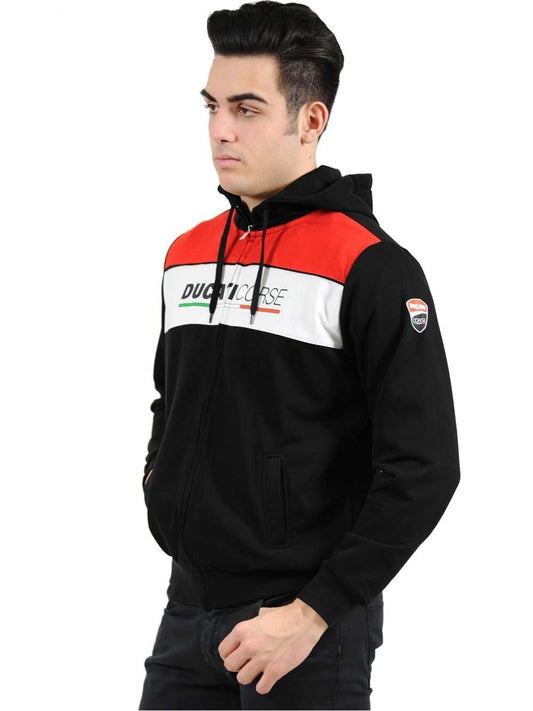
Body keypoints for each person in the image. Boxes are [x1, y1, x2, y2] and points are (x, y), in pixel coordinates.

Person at [138, 2, 461, 709]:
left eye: (247, 108)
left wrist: (313, 612)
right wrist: (157, 478)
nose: (220, 129)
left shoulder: (370, 266)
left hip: (303, 630)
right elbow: (171, 400)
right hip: (186, 613)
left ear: (311, 120)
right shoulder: (186, 252)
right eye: (212, 105)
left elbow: (425, 466)